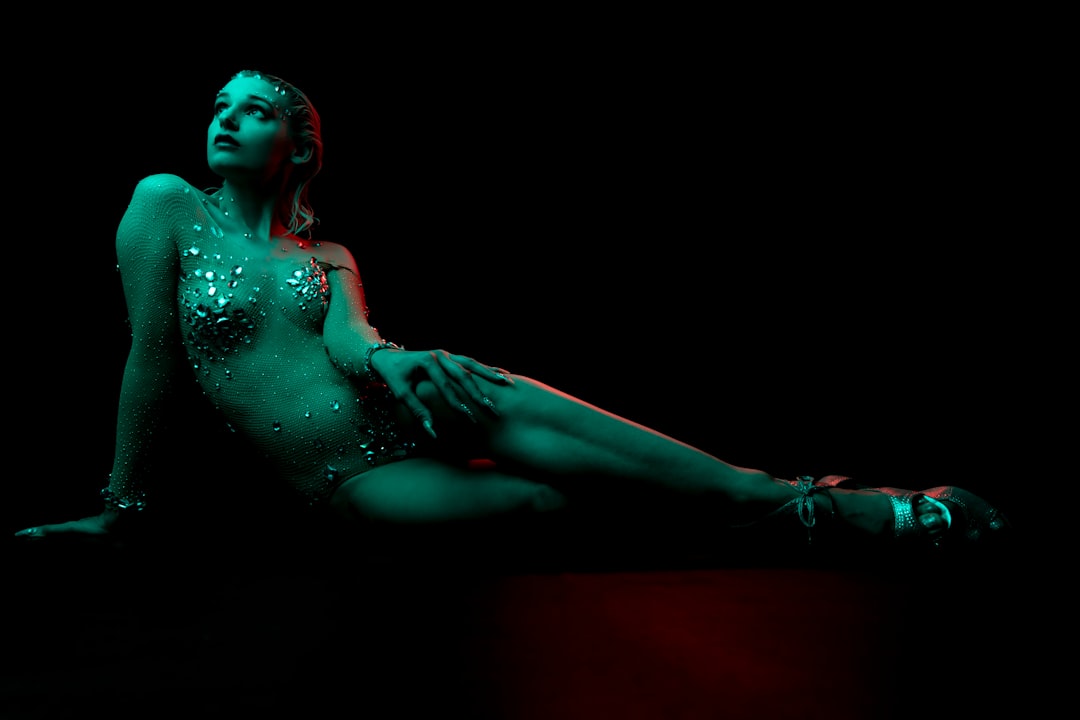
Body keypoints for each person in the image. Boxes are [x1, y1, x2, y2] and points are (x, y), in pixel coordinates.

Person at [12, 69, 1010, 560]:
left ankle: (833, 507)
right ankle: (848, 512)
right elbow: (149, 353)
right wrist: (123, 508)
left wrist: (403, 360)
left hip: (414, 409)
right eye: (221, 103)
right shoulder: (165, 206)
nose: (226, 116)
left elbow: (353, 341)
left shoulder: (324, 253)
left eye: (257, 109)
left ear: (300, 147)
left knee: (496, 386)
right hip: (352, 474)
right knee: (567, 513)